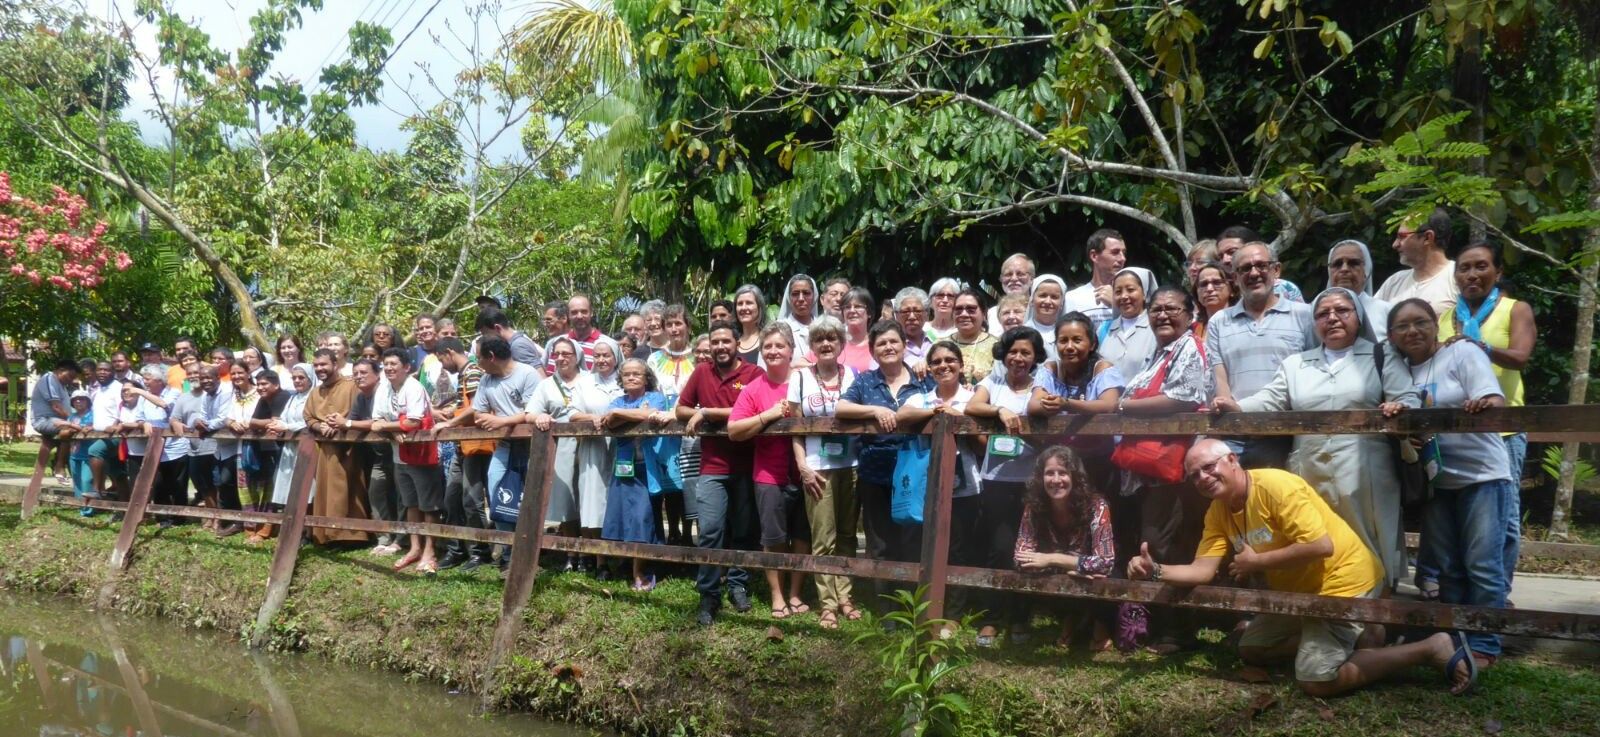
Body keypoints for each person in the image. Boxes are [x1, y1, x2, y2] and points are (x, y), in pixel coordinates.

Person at [1130, 441, 1478, 697]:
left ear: (1232, 460)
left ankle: (1430, 647)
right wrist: (1155, 571)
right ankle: (1358, 639)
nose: (1203, 478)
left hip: (1344, 581)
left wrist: (1257, 562)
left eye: (1209, 467)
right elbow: (1202, 570)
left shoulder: (1277, 486)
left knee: (1316, 679)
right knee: (1252, 649)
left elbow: (1320, 546)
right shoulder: (1218, 511)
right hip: (1299, 594)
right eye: (1195, 476)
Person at [1214, 287, 1417, 589]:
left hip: (1365, 471)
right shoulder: (1296, 364)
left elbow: (1407, 397)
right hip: (1310, 468)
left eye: (1342, 311)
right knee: (1315, 535)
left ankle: (1374, 606)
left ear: (1358, 317)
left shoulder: (1381, 355)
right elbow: (1271, 399)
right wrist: (1237, 407)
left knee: (1370, 536)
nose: (1332, 318)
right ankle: (1323, 604)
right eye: (1322, 314)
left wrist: (1399, 407)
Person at [1390, 298, 1512, 667]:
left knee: (1483, 565)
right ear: (1391, 336)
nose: (1412, 331)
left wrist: (1481, 406)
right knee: (1448, 568)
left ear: (1435, 324)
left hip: (1482, 475)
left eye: (1421, 322)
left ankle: (1485, 644)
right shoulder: (1398, 370)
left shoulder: (1461, 353)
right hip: (1438, 480)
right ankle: (1456, 638)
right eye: (1402, 326)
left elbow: (1495, 400)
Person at [1113, 285, 1212, 652]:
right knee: (1152, 543)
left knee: (1165, 546)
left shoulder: (1189, 347)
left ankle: (1176, 630)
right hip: (1149, 472)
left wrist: (1122, 407)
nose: (1163, 315)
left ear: (1190, 315)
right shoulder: (1160, 352)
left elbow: (1182, 397)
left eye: (1172, 309)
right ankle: (1156, 625)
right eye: (1156, 309)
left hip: (1172, 469)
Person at [1434, 242, 1535, 592]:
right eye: (1464, 268)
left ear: (1498, 271)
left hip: (1502, 432)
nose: (1472, 275)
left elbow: (1521, 357)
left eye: (1481, 266)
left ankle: (1498, 594)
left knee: (1505, 516)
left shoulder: (1514, 309)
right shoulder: (1446, 317)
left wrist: (1480, 347)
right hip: (1456, 435)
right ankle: (1463, 594)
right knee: (1460, 518)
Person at [836, 320, 933, 614]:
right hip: (875, 470)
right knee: (879, 541)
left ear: (904, 345)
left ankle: (912, 605)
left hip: (914, 471)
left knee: (913, 536)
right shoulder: (866, 381)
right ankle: (886, 608)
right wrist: (876, 410)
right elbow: (841, 408)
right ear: (873, 350)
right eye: (881, 343)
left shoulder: (922, 379)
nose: (888, 347)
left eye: (893, 341)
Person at [677, 320, 766, 625]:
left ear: (737, 343)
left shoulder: (754, 374)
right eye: (715, 342)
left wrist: (707, 413)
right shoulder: (702, 372)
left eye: (725, 341)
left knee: (743, 530)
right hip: (712, 466)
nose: (720, 347)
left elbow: (754, 411)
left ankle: (738, 584)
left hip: (746, 464)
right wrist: (697, 412)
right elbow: (680, 409)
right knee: (710, 529)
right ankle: (709, 593)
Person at [895, 341, 984, 634]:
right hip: (925, 489)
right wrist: (937, 413)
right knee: (919, 547)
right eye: (937, 362)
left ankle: (953, 615)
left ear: (961, 364)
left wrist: (961, 418)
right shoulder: (921, 399)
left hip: (965, 486)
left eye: (950, 360)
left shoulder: (973, 398)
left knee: (958, 549)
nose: (944, 366)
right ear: (930, 368)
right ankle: (920, 610)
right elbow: (901, 416)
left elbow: (983, 444)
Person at [966, 326, 1047, 643]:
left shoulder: (1040, 385)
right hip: (996, 480)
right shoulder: (993, 383)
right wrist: (1000, 409)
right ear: (1004, 354)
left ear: (1035, 357)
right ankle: (992, 617)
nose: (1018, 358)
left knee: (1028, 549)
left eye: (1026, 352)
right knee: (998, 548)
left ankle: (1021, 618)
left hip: (1031, 481)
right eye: (1013, 351)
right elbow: (972, 406)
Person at [1206, 242, 1316, 469]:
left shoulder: (1305, 315)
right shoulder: (1219, 321)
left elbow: (1312, 374)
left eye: (1261, 265)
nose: (1254, 273)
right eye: (1245, 268)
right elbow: (1219, 377)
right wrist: (1232, 420)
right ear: (1235, 276)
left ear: (1276, 270)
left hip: (1286, 434)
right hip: (1236, 436)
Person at [729, 323, 812, 619]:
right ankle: (777, 595)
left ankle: (796, 593)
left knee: (802, 535)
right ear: (761, 352)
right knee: (773, 537)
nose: (773, 351)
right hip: (768, 474)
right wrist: (768, 416)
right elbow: (734, 429)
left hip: (807, 471)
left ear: (791, 350)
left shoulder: (807, 381)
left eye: (780, 345)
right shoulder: (754, 388)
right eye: (768, 346)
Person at [785, 316, 862, 629]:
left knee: (847, 535)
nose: (826, 344)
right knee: (823, 539)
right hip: (817, 468)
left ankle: (845, 596)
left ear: (841, 343)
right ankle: (827, 604)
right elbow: (794, 428)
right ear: (812, 346)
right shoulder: (800, 378)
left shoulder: (853, 375)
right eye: (820, 339)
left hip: (851, 466)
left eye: (832, 338)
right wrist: (802, 466)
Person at [1015, 447, 1116, 650]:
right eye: (1049, 473)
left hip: (1091, 575)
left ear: (1075, 476)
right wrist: (1073, 566)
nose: (1056, 480)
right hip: (1067, 572)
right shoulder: (1033, 506)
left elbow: (1106, 562)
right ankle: (1070, 620)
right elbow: (1020, 558)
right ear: (1040, 477)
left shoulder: (1097, 505)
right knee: (1047, 576)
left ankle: (1100, 625)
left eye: (1063, 473)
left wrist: (1053, 559)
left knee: (1105, 577)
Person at [523, 338, 604, 572]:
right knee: (566, 498)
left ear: (577, 356)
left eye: (566, 353)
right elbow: (529, 412)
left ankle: (591, 552)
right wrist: (540, 416)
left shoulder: (591, 380)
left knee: (590, 498)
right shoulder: (547, 385)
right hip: (562, 447)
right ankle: (571, 552)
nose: (560, 358)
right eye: (556, 354)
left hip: (592, 444)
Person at [597, 358, 675, 591]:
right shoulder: (617, 400)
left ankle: (641, 572)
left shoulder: (655, 397)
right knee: (622, 517)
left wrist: (619, 413)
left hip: (647, 468)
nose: (631, 377)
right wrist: (628, 413)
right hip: (624, 468)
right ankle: (629, 564)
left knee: (643, 516)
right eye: (627, 374)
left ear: (646, 377)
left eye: (637, 374)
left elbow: (651, 413)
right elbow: (609, 423)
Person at [370, 348, 443, 574]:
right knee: (410, 503)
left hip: (423, 453)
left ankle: (430, 551)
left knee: (428, 505)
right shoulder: (383, 388)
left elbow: (413, 422)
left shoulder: (414, 387)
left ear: (406, 367)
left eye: (394, 364)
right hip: (399, 455)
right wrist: (392, 431)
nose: (389, 368)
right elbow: (376, 418)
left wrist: (385, 426)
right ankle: (414, 548)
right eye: (386, 364)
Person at [429, 337, 499, 570]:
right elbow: (466, 406)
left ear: (449, 352)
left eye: (441, 360)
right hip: (462, 446)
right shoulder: (463, 375)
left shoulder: (473, 372)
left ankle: (480, 551)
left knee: (472, 499)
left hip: (476, 445)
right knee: (452, 498)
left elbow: (477, 407)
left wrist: (450, 422)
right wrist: (452, 412)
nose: (442, 365)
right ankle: (457, 548)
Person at [334, 359, 402, 554]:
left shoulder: (385, 392)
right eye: (355, 373)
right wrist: (335, 423)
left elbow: (378, 421)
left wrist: (347, 424)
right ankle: (384, 538)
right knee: (376, 493)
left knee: (402, 496)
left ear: (377, 374)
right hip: (380, 456)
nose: (358, 376)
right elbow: (352, 421)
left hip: (398, 453)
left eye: (363, 372)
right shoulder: (361, 397)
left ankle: (402, 539)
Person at [303, 349, 370, 546]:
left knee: (349, 490)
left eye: (323, 364)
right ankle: (327, 534)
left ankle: (352, 536)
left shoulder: (351, 386)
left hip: (349, 449)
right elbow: (308, 417)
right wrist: (320, 426)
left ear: (335, 364)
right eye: (316, 365)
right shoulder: (315, 392)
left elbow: (360, 412)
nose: (320, 368)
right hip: (324, 450)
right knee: (326, 491)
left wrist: (341, 424)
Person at [646, 305, 695, 545]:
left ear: (688, 326)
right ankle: (673, 532)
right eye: (669, 324)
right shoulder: (654, 359)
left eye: (678, 323)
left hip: (691, 424)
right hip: (663, 427)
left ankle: (688, 533)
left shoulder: (699, 355)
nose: (674, 329)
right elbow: (651, 390)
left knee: (689, 479)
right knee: (670, 481)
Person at [170, 365, 238, 534]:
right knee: (202, 484)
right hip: (195, 446)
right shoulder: (186, 397)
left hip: (215, 445)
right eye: (192, 374)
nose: (197, 378)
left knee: (218, 482)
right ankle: (211, 514)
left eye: (198, 373)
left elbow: (222, 418)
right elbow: (178, 417)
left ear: (217, 377)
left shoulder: (223, 392)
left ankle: (220, 518)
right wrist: (190, 422)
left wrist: (204, 425)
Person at [118, 366, 189, 527]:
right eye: (144, 379)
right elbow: (139, 417)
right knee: (158, 484)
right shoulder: (144, 399)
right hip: (156, 448)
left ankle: (179, 518)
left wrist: (140, 391)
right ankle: (162, 517)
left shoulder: (173, 393)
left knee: (178, 484)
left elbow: (164, 405)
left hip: (176, 447)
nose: (145, 382)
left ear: (159, 380)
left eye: (148, 379)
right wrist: (144, 423)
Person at [266, 363, 318, 541]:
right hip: (290, 448)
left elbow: (310, 421)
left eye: (301, 377)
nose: (297, 381)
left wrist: (286, 427)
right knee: (291, 488)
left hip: (307, 447)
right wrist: (277, 425)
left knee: (307, 488)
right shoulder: (293, 397)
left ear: (310, 378)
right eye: (294, 378)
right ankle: (294, 528)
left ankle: (309, 531)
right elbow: (284, 418)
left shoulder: (314, 396)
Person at [1376, 207, 1459, 316]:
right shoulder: (1394, 282)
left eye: (1402, 237)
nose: (1395, 244)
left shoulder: (1458, 277)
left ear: (1427, 238)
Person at [241, 370, 289, 541]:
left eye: (264, 384)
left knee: (273, 490)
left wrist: (260, 423)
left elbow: (275, 422)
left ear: (276, 384)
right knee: (262, 488)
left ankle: (268, 529)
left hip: (283, 450)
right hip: (266, 449)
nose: (260, 387)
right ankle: (259, 526)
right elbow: (253, 422)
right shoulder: (263, 399)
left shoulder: (283, 396)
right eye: (259, 384)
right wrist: (263, 423)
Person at [1098, 267, 1157, 382]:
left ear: (1144, 294)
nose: (1124, 296)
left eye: (1130, 290)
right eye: (1118, 291)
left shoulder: (1156, 328)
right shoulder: (1104, 329)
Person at [1327, 239, 1392, 342]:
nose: (1344, 269)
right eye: (1337, 264)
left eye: (1353, 263)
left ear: (1366, 270)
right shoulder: (1315, 313)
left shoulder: (1387, 312)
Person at [1062, 229, 1127, 330]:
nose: (1122, 258)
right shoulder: (1073, 298)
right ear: (1094, 256)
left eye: (1124, 253)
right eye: (1115, 252)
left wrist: (1116, 305)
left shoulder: (1131, 297)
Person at [29, 359, 81, 483]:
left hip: (57, 420)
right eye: (69, 376)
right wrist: (73, 421)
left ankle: (74, 472)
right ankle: (59, 465)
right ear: (60, 370)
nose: (70, 380)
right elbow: (56, 407)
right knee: (68, 430)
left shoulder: (62, 385)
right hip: (44, 420)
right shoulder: (49, 379)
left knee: (74, 434)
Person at [475, 306, 547, 371]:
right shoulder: (512, 345)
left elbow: (539, 377)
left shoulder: (518, 347)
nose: (486, 339)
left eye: (486, 334)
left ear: (497, 328)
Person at [949, 288, 997, 385]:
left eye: (971, 310)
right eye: (958, 310)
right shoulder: (940, 344)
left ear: (984, 313)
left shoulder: (996, 345)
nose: (964, 314)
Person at [986, 253, 1035, 334]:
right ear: (1001, 279)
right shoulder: (991, 314)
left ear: (1032, 279)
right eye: (1008, 274)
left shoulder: (1039, 311)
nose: (1014, 278)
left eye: (1020, 274)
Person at [65, 390, 95, 515]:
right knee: (77, 481)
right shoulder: (71, 417)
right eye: (75, 399)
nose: (78, 401)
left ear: (87, 401)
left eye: (81, 399)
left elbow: (91, 428)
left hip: (88, 454)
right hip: (74, 453)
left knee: (86, 480)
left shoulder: (93, 415)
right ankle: (80, 505)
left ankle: (89, 508)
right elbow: (65, 430)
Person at [1025, 276, 1068, 358]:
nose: (1048, 301)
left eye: (1054, 297)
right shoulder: (1021, 334)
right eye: (1043, 295)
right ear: (1032, 300)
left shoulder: (1068, 334)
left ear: (1062, 303)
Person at [1192, 261, 1233, 343]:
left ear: (1232, 289)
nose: (1209, 289)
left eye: (1217, 283)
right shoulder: (1193, 330)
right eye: (1203, 284)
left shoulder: (1243, 323)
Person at [777, 274, 819, 352]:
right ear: (789, 297)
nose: (801, 299)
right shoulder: (778, 330)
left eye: (806, 293)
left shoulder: (824, 327)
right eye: (795, 294)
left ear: (814, 296)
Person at [893, 287, 934, 369]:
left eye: (917, 311)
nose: (912, 317)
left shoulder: (936, 340)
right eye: (906, 312)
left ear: (927, 314)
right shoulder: (891, 346)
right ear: (896, 315)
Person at [564, 294, 607, 370]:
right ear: (568, 315)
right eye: (574, 312)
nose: (579, 316)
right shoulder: (557, 344)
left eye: (584, 312)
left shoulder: (607, 344)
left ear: (591, 313)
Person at [839, 287, 877, 372]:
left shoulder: (877, 344)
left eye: (858, 306)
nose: (852, 310)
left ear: (869, 313)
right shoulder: (835, 342)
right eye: (847, 307)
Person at [733, 284, 768, 366]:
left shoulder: (768, 339)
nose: (743, 308)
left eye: (749, 303)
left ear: (759, 307)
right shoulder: (731, 340)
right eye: (740, 304)